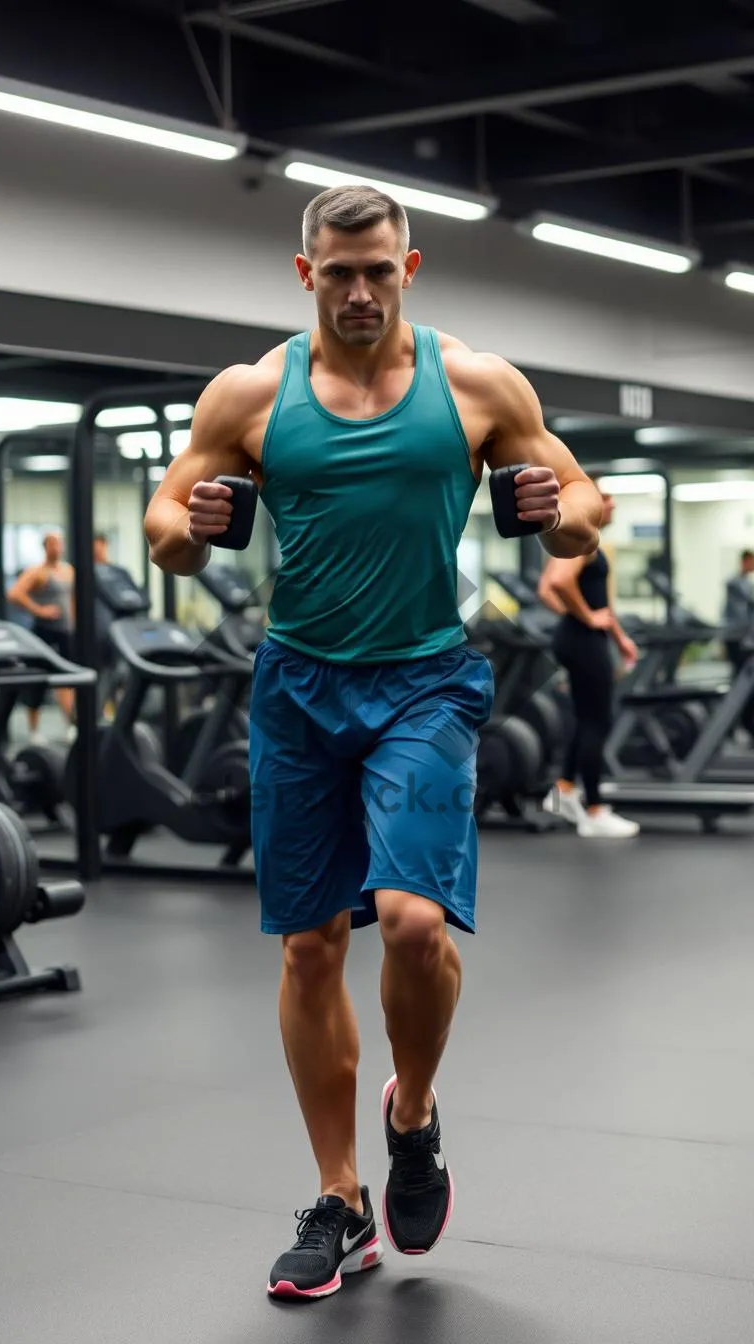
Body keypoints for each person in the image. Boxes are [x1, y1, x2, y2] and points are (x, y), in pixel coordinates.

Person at [145, 184, 602, 1301]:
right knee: (308, 949)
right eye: (338, 272)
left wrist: (558, 511)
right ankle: (340, 1200)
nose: (359, 291)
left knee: (409, 922)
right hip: (299, 689)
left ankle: (411, 1110)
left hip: (424, 683)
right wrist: (192, 533)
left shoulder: (478, 384)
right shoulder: (252, 394)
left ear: (412, 267)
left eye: (379, 271)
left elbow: (587, 510)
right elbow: (164, 524)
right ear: (306, 274)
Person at [538, 484, 640, 838]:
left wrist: (617, 634)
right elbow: (560, 582)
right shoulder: (583, 538)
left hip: (578, 637)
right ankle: (595, 811)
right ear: (593, 502)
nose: (613, 506)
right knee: (598, 721)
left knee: (586, 720)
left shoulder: (577, 538)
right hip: (582, 641)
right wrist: (585, 618)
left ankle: (564, 790)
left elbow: (548, 586)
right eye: (608, 499)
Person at [8, 532, 76, 743]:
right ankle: (34, 731)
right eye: (52, 544)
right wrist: (39, 610)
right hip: (44, 632)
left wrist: (74, 621)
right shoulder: (37, 572)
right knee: (37, 681)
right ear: (45, 547)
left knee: (68, 680)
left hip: (65, 632)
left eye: (59, 543)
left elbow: (71, 599)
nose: (56, 548)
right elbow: (14, 594)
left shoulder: (68, 571)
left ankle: (70, 725)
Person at [723, 549, 754, 674]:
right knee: (739, 669)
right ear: (745, 562)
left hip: (744, 634)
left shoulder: (747, 583)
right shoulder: (733, 583)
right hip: (736, 634)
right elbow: (744, 608)